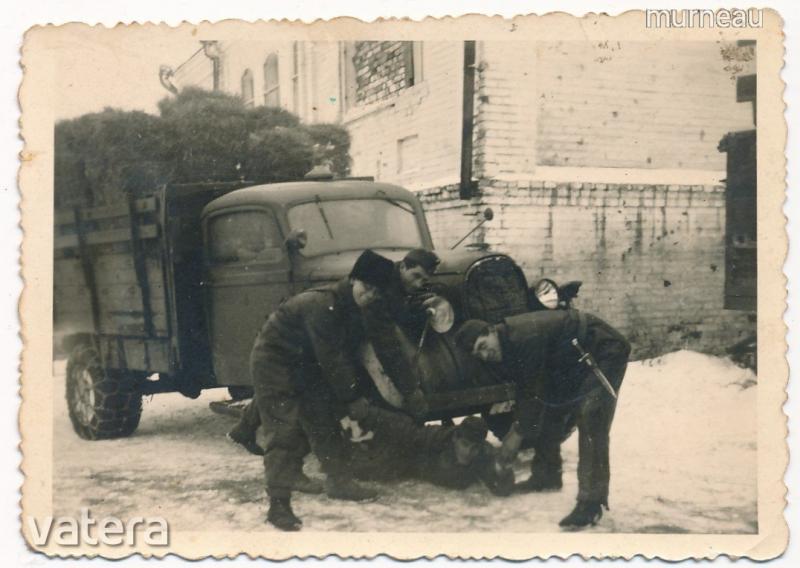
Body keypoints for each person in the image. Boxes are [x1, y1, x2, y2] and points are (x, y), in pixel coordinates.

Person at [228, 248, 443, 450]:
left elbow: (395, 316)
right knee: (305, 386)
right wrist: (410, 390)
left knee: (291, 377)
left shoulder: (388, 280)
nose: (419, 284)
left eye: (424, 280)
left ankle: (245, 428)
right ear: (403, 267)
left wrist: (415, 313)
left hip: (331, 337)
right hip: (333, 338)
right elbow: (386, 345)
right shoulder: (379, 286)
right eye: (416, 277)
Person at [249, 249, 396, 531]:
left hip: (305, 363)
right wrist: (352, 396)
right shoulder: (324, 305)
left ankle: (338, 481)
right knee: (284, 430)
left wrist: (352, 396)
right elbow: (332, 358)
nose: (371, 295)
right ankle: (278, 505)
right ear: (354, 280)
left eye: (377, 292)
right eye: (367, 287)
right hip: (274, 361)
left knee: (323, 418)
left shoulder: (353, 308)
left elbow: (348, 354)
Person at [454, 309, 631, 528]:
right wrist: (517, 428)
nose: (484, 355)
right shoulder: (507, 342)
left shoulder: (524, 337)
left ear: (491, 330)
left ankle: (591, 504)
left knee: (591, 417)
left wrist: (516, 434)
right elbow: (530, 391)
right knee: (551, 407)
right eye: (477, 354)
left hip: (603, 350)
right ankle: (547, 475)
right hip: (569, 359)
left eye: (482, 346)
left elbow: (531, 392)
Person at [344, 405, 514, 496]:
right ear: (455, 439)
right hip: (409, 458)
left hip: (417, 467)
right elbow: (406, 432)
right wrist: (370, 414)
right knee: (371, 469)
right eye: (465, 444)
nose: (469, 452)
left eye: (474, 447)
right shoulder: (436, 437)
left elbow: (501, 488)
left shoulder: (483, 453)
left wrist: (504, 473)